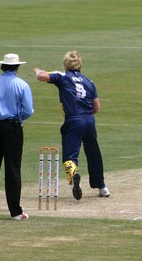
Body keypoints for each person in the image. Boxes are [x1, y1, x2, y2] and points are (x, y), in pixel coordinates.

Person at [34, 51, 110, 199]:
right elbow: (96, 108)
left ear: (65, 65)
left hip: (74, 120)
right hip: (89, 120)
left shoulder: (62, 76)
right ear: (80, 65)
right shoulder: (89, 82)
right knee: (93, 153)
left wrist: (38, 72)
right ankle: (102, 187)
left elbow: (42, 77)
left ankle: (74, 175)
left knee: (70, 157)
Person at [0, 53, 35, 221]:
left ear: (2, 66)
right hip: (13, 127)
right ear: (17, 67)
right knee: (12, 168)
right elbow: (28, 111)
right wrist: (17, 118)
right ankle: (15, 211)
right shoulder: (21, 85)